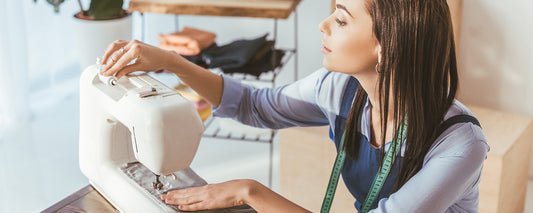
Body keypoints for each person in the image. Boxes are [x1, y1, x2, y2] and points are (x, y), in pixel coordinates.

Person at [100, 0, 489, 212]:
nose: (322, 25)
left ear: (385, 50)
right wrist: (171, 61)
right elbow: (255, 104)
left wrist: (249, 191)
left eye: (340, 19)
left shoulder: (459, 145)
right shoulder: (339, 88)